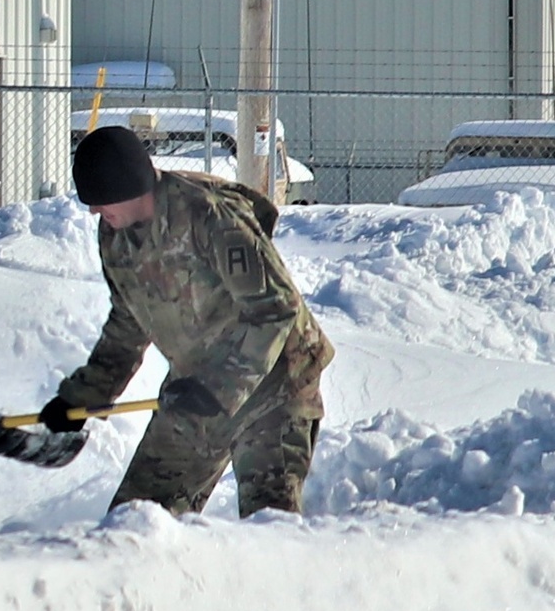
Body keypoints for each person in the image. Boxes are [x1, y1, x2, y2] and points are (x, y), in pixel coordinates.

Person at [39, 125, 334, 518]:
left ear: (128, 185)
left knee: (269, 524)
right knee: (137, 519)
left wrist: (219, 390)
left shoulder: (209, 215)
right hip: (198, 385)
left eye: (100, 199)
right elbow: (128, 323)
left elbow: (275, 308)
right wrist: (82, 398)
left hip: (276, 383)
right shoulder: (117, 236)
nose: (94, 211)